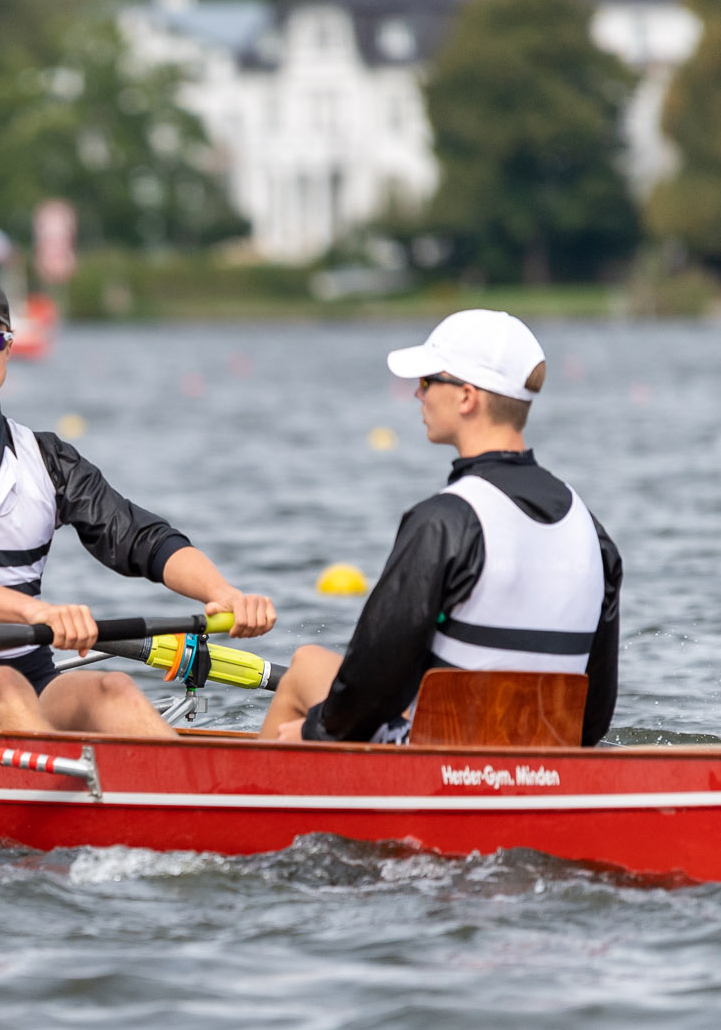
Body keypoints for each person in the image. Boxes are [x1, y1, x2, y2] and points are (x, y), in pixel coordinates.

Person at [0, 269, 275, 735]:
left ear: (9, 348)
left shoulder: (48, 457)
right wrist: (35, 611)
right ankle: (83, 797)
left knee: (113, 687)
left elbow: (134, 534)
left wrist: (223, 593)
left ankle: (183, 803)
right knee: (2, 688)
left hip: (35, 678)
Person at [259, 309, 622, 745]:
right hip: (545, 755)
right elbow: (593, 717)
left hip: (444, 758)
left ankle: (246, 798)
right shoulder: (593, 532)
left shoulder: (443, 522)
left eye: (429, 381)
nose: (418, 393)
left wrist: (313, 731)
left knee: (304, 674)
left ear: (467, 397)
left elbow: (372, 678)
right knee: (315, 665)